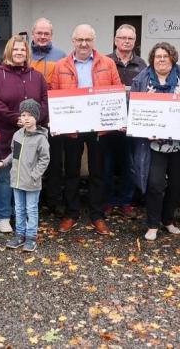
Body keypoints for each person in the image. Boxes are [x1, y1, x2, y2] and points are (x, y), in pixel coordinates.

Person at [50, 24, 122, 236]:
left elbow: (116, 91)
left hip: (98, 127)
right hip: (72, 127)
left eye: (87, 40)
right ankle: (71, 213)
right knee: (71, 171)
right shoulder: (61, 65)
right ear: (73, 41)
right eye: (79, 40)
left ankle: (97, 214)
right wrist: (57, 121)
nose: (83, 44)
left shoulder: (107, 64)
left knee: (97, 172)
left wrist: (116, 117)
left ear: (94, 41)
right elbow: (53, 93)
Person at [131, 42, 180, 241]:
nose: (161, 60)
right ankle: (152, 224)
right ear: (152, 59)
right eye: (157, 56)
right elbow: (133, 109)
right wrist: (143, 129)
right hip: (152, 145)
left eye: (165, 56)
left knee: (176, 184)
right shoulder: (142, 80)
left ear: (172, 58)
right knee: (154, 184)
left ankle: (168, 220)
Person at [0, 34, 48, 233]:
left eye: (23, 50)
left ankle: (23, 214)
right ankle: (3, 215)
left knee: (26, 173)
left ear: (28, 53)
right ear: (9, 51)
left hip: (30, 135)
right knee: (4, 175)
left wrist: (35, 119)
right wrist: (14, 117)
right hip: (3, 133)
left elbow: (45, 101)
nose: (20, 53)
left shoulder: (36, 76)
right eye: (16, 49)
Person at [103, 24, 147, 219]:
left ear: (134, 41)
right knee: (106, 164)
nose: (126, 41)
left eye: (130, 38)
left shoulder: (142, 65)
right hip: (108, 123)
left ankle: (126, 202)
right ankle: (108, 201)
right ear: (115, 40)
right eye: (122, 38)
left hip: (132, 123)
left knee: (130, 165)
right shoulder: (104, 62)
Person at [0, 99, 50, 252]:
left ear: (36, 117)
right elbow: (14, 155)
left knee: (31, 209)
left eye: (29, 115)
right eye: (23, 115)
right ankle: (19, 235)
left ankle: (31, 237)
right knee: (19, 209)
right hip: (17, 180)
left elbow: (44, 159)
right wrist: (4, 162)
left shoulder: (41, 138)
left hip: (32, 182)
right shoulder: (17, 135)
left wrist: (35, 175)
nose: (26, 118)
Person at [29, 18, 66, 217]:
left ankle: (53, 201)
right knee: (29, 160)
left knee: (53, 160)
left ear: (52, 35)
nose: (43, 37)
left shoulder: (61, 57)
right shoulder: (23, 53)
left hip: (53, 117)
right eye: (39, 33)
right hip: (27, 118)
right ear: (33, 33)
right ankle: (32, 201)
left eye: (47, 34)